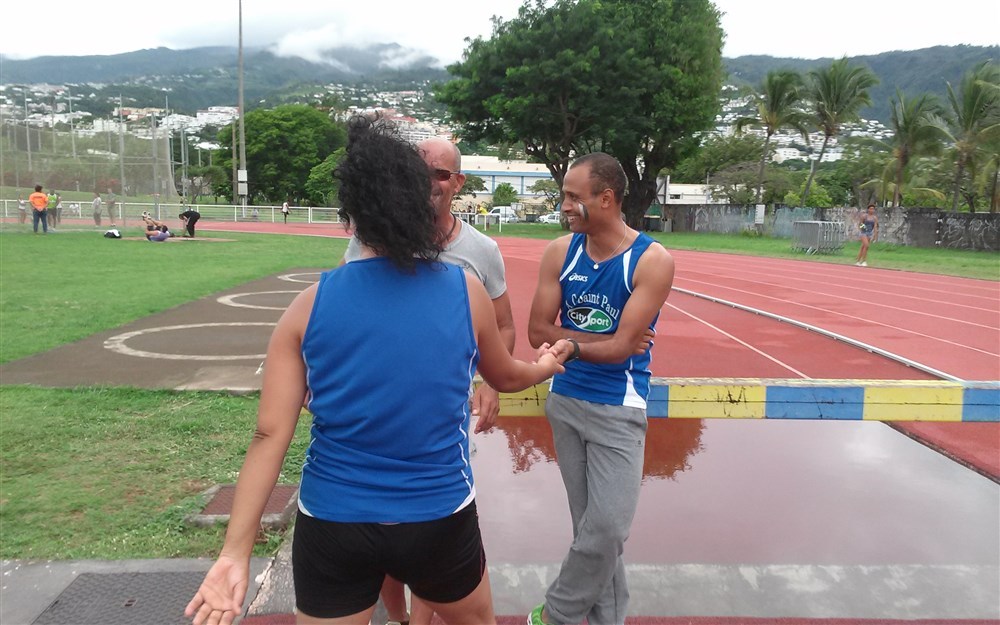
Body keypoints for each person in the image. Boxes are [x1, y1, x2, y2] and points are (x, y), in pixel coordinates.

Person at [185, 116, 569, 625]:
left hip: (334, 519)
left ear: (352, 211)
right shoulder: (465, 292)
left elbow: (269, 434)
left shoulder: (307, 307)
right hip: (437, 514)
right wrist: (546, 365)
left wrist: (234, 553)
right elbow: (508, 377)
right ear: (419, 203)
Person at [342, 135, 517, 625]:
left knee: (432, 528)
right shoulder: (369, 240)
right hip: (376, 414)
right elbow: (346, 309)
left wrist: (490, 382)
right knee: (380, 526)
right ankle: (398, 618)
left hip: (443, 420)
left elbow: (503, 326)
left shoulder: (480, 250)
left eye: (440, 174)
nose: (428, 183)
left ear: (457, 182)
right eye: (419, 172)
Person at [526, 152, 675, 625]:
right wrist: (597, 341)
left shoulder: (651, 260)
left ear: (606, 198)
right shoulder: (560, 252)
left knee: (607, 530)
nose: (564, 206)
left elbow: (622, 350)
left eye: (574, 197)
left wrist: (573, 342)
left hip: (618, 406)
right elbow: (536, 330)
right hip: (566, 400)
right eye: (564, 196)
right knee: (589, 529)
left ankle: (555, 614)